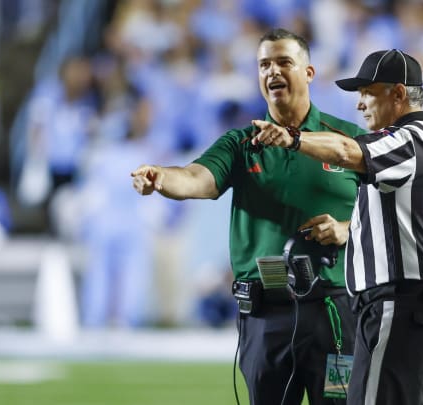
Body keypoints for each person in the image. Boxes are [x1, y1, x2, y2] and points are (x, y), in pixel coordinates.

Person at [132, 28, 366, 404]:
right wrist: (162, 178)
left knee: (341, 402)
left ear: (308, 72)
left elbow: (392, 213)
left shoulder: (348, 142)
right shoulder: (241, 145)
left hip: (335, 316)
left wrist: (347, 228)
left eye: (284, 62)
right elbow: (196, 179)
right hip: (266, 316)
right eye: (264, 65)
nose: (273, 71)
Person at [252, 49, 423, 405]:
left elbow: (344, 151)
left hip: (401, 308)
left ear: (398, 94)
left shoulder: (406, 139)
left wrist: (293, 138)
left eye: (368, 92)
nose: (360, 104)